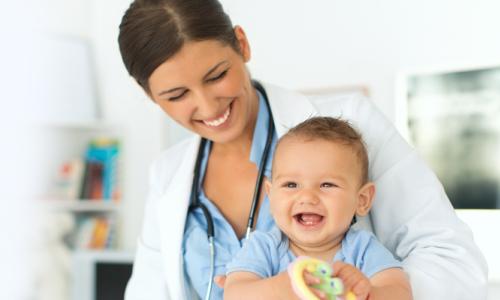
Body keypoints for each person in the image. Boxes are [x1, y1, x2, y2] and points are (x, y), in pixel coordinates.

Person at [118, 0, 487, 299]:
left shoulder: (351, 122)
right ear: (149, 94)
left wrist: (361, 294)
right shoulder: (167, 174)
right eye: (177, 95)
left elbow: (449, 257)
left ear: (242, 45)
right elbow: (150, 291)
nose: (208, 106)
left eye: (216, 76)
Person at [224, 117, 412, 300]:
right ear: (270, 195)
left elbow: (401, 293)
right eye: (291, 185)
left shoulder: (362, 250)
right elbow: (234, 293)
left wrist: (368, 292)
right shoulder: (264, 247)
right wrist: (277, 289)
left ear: (361, 200)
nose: (307, 197)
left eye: (327, 185)